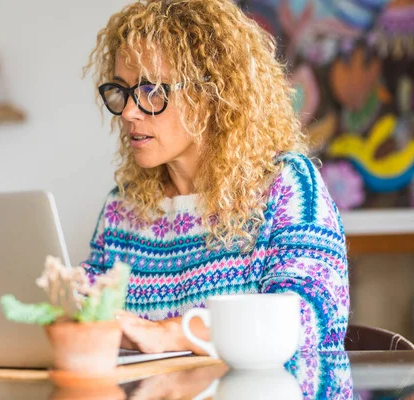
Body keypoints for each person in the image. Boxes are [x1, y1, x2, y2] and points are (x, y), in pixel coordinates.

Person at [81, 0, 349, 355]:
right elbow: (86, 310)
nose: (129, 112)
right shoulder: (122, 208)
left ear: (212, 95)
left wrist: (175, 334)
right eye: (123, 90)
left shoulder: (285, 187)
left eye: (151, 91)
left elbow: (311, 316)